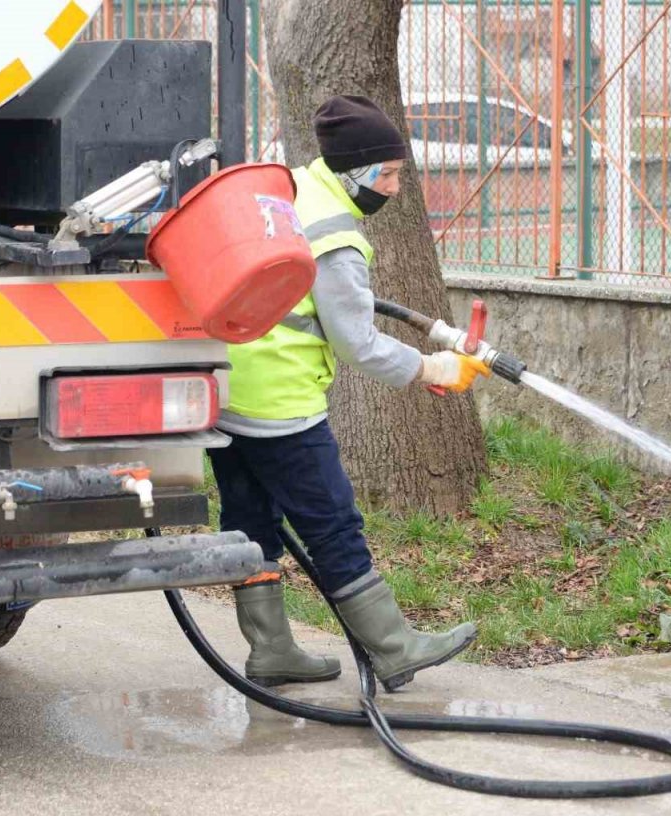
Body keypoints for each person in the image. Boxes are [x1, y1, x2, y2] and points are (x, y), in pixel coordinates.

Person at [208, 94, 489, 692]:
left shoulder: (293, 189)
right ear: (352, 171)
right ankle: (394, 648)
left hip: (227, 387)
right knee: (333, 524)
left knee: (250, 520)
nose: (394, 188)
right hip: (281, 402)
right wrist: (434, 370)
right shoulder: (336, 238)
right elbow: (358, 344)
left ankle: (273, 649)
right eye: (386, 174)